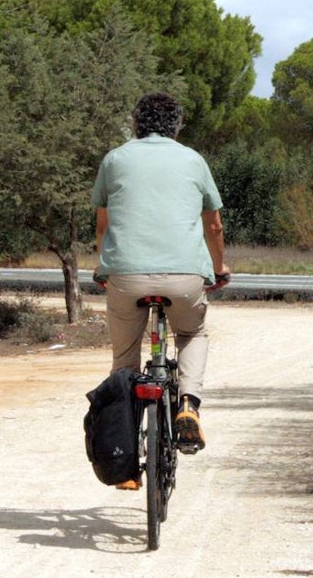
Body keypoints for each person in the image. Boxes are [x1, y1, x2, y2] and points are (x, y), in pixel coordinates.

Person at [91, 91, 231, 457]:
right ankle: (188, 404)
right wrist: (219, 269)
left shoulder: (115, 158)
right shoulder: (193, 160)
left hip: (125, 274)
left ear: (136, 124)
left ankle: (122, 448)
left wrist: (102, 267)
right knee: (192, 332)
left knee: (124, 359)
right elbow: (213, 226)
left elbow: (103, 224)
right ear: (177, 127)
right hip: (184, 276)